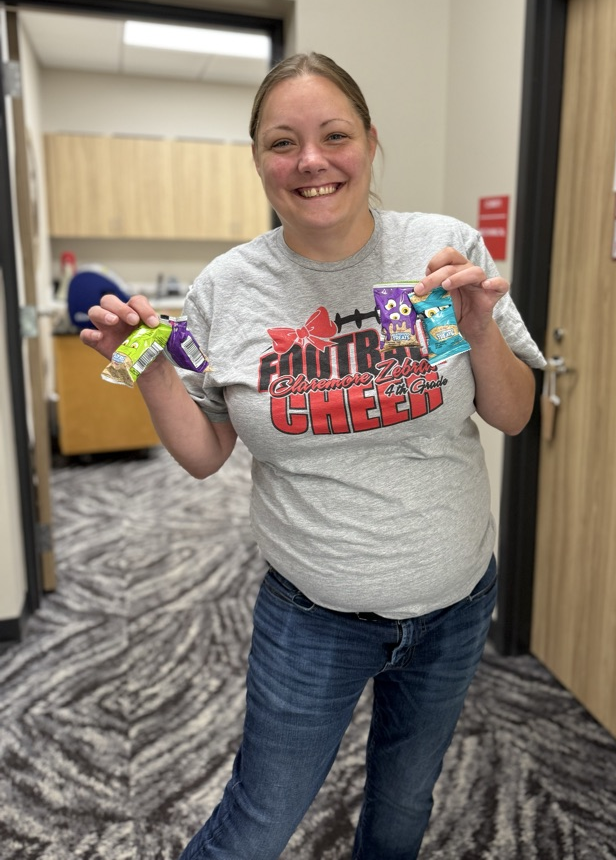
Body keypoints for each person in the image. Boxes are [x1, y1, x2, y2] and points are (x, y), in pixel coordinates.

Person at [81, 52, 546, 859]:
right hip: (313, 619)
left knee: (405, 798)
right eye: (282, 142)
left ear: (369, 141)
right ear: (258, 158)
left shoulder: (442, 250)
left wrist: (478, 330)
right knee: (258, 819)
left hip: (457, 603)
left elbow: (514, 413)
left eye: (334, 135)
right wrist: (152, 369)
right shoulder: (226, 288)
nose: (311, 161)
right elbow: (205, 453)